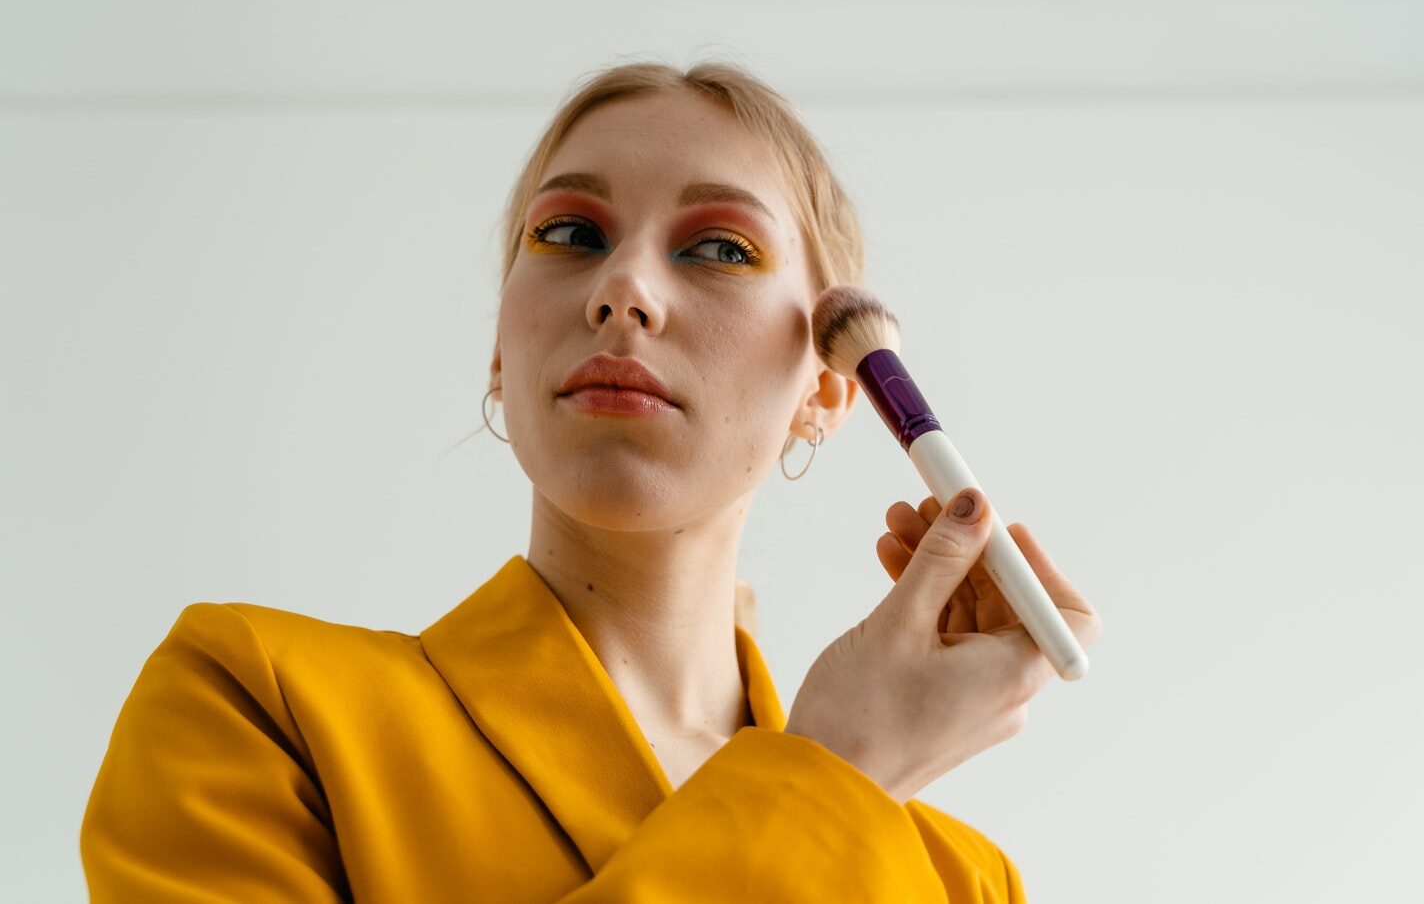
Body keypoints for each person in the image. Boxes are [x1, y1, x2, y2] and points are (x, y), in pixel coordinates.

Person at [80, 59, 1101, 901]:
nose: (622, 291)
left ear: (826, 392)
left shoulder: (960, 882)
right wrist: (824, 777)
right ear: (497, 345)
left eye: (716, 246)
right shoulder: (255, 702)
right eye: (568, 234)